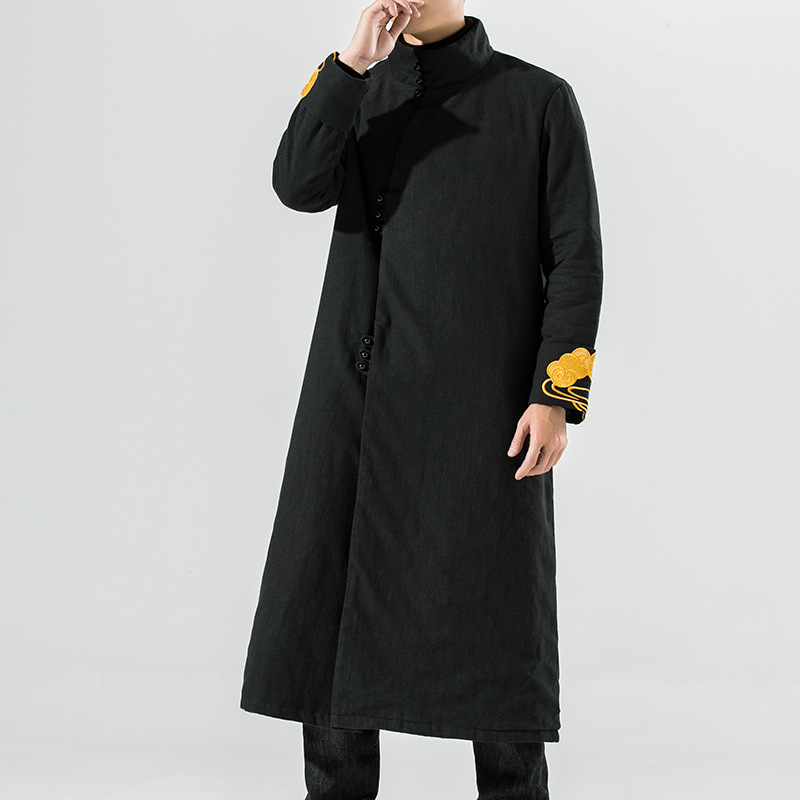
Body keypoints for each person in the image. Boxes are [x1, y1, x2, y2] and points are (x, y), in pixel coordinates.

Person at [241, 1, 603, 797]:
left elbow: (576, 254)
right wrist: (348, 66)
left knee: (497, 631)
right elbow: (297, 184)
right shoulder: (356, 88)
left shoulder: (537, 99)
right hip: (354, 402)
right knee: (330, 624)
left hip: (480, 412)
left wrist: (555, 395)